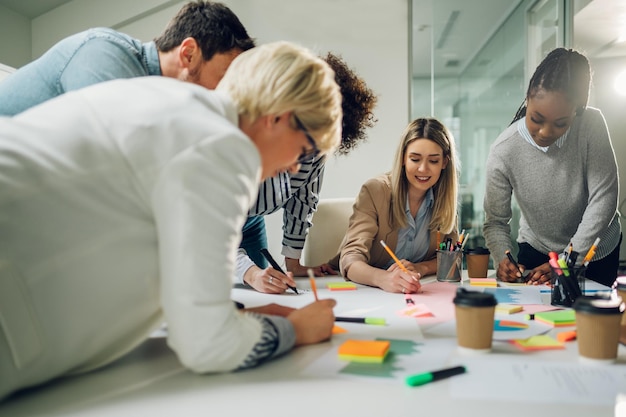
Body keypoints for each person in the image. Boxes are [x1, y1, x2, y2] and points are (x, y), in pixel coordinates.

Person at [0, 41, 341, 402]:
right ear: (281, 117)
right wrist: (295, 330)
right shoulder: (224, 146)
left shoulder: (173, 103)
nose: (293, 167)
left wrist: (235, 315)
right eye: (303, 151)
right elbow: (209, 345)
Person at [236, 52, 378, 294]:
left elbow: (303, 201)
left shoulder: (317, 146)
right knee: (229, 284)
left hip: (251, 220)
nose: (297, 166)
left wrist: (292, 263)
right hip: (218, 221)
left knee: (261, 289)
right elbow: (207, 231)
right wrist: (249, 273)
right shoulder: (240, 143)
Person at [483, 47, 621, 287]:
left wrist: (568, 259)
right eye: (536, 119)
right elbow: (495, 221)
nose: (545, 132)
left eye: (560, 123)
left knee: (589, 322)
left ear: (576, 111)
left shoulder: (591, 124)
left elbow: (604, 197)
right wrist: (502, 258)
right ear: (527, 99)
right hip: (538, 251)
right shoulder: (504, 149)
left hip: (593, 253)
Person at [0, 1, 255, 116]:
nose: (228, 94)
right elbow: (109, 164)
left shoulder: (159, 103)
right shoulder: (104, 51)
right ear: (189, 54)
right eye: (225, 77)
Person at [328, 117, 459, 293]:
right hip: (368, 292)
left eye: (433, 161)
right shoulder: (376, 191)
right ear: (403, 158)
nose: (423, 169)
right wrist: (384, 279)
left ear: (444, 162)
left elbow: (451, 257)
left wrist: (422, 268)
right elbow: (350, 259)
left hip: (417, 292)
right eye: (415, 159)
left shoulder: (444, 199)